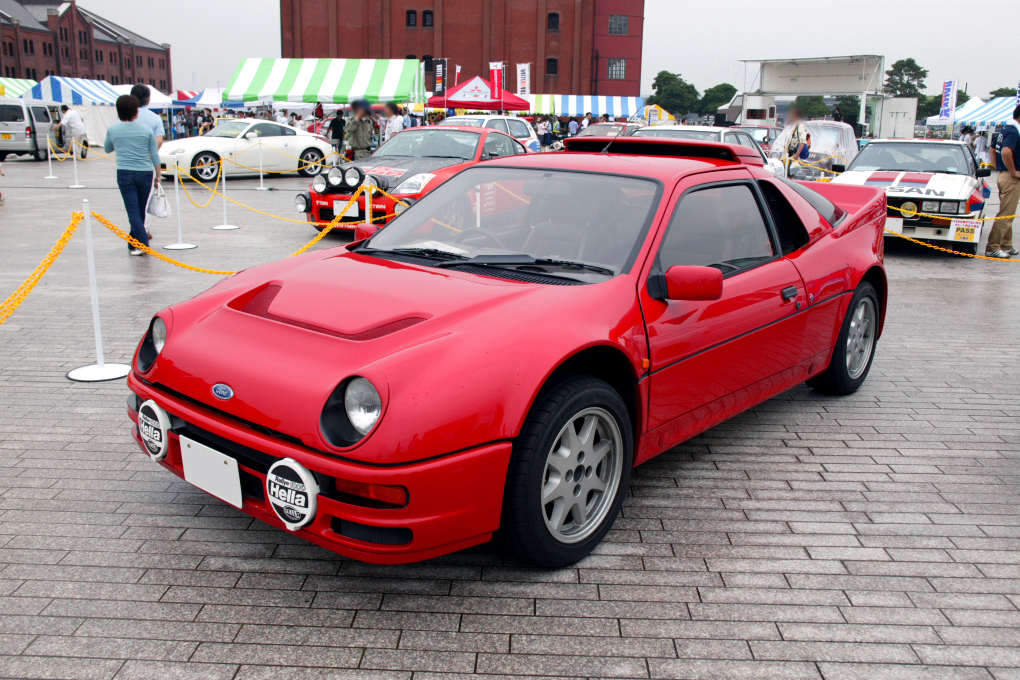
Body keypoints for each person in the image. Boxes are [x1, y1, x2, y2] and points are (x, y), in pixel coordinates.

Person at [104, 95, 160, 256]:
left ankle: (142, 244)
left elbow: (107, 148)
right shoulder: (146, 129)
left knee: (133, 211)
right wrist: (158, 174)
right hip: (145, 173)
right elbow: (154, 153)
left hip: (125, 173)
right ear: (135, 111)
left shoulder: (113, 129)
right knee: (140, 210)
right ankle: (134, 242)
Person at [986, 105, 1020, 259]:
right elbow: (1006, 151)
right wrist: (1012, 171)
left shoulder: (1005, 129)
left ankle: (1007, 244)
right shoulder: (1014, 131)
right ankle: (992, 246)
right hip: (1011, 177)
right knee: (1006, 214)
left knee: (1008, 212)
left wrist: (998, 167)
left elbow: (993, 149)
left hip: (1003, 175)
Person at [781, 106, 809, 170]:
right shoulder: (793, 126)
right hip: (788, 156)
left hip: (793, 157)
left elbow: (802, 142)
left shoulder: (800, 126)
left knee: (792, 175)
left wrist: (796, 155)